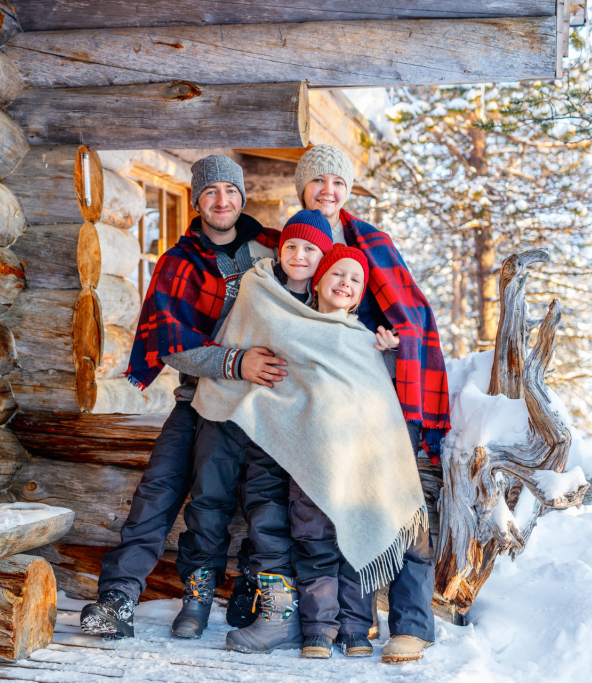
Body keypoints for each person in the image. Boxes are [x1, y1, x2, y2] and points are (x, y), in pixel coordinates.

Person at [191, 245, 428, 660]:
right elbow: (285, 378)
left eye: (355, 280)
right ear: (319, 281)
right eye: (338, 274)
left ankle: (356, 630)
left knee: (357, 538)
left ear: (360, 296)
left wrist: (390, 355)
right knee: (312, 542)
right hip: (306, 456)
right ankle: (317, 630)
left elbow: (374, 397)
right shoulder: (290, 322)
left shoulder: (363, 340)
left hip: (356, 466)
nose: (345, 283)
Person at [80, 155, 283, 639]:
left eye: (230, 192)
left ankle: (257, 594)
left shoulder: (272, 249)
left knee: (266, 497)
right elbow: (173, 345)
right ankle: (118, 599)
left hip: (263, 403)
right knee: (159, 488)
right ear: (197, 202)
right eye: (211, 192)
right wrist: (235, 362)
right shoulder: (179, 261)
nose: (222, 200)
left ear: (242, 197)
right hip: (198, 399)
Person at [289, 144, 452, 663]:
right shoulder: (293, 242)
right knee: (337, 511)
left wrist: (388, 342)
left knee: (402, 503)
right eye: (318, 182)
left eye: (338, 182)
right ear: (302, 188)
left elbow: (411, 315)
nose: (328, 191)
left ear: (348, 190)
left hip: (383, 390)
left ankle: (412, 625)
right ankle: (350, 623)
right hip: (323, 403)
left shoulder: (372, 241)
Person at [168, 209, 334, 642]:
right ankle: (197, 596)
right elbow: (227, 337)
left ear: (324, 258)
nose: (299, 255)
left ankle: (277, 606)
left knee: (268, 508)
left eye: (311, 249)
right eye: (292, 246)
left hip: (278, 421)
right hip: (225, 407)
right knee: (207, 498)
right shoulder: (254, 284)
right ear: (280, 249)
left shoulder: (325, 304)